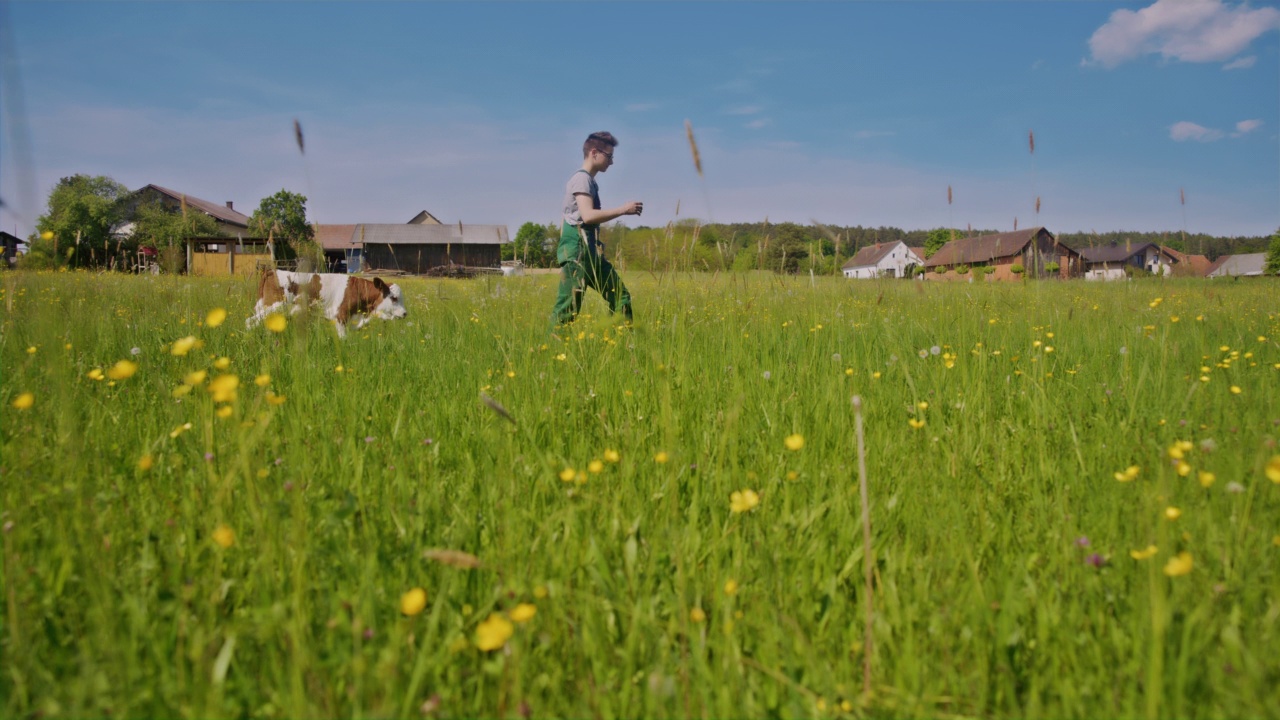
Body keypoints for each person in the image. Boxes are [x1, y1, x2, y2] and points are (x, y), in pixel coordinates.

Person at [549, 131, 643, 327]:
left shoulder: (590, 182)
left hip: (591, 253)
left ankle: (622, 344)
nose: (612, 162)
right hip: (578, 254)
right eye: (609, 156)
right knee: (567, 310)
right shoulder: (581, 179)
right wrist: (623, 209)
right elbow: (588, 215)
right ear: (594, 152)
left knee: (620, 297)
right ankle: (551, 352)